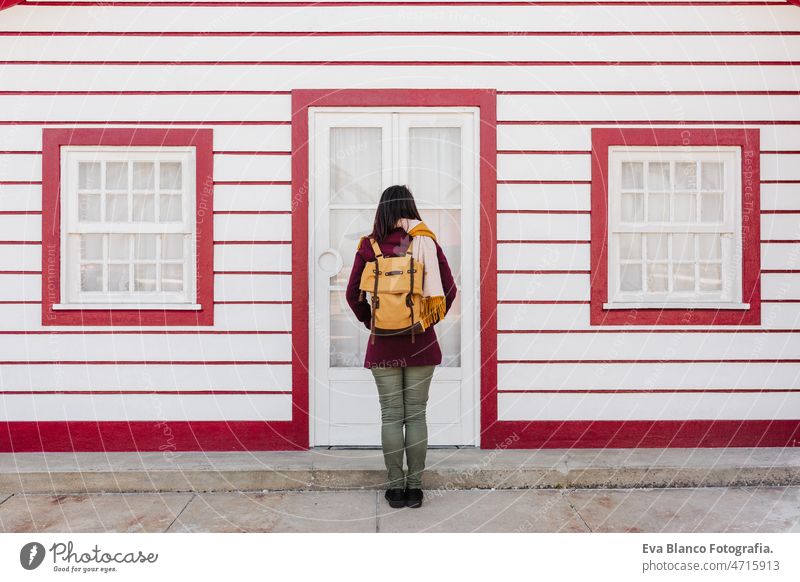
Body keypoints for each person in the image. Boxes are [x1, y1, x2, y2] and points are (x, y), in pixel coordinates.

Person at [345, 184, 458, 509]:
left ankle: (395, 489)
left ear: (382, 211)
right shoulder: (425, 240)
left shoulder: (369, 246)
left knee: (392, 416)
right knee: (417, 415)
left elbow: (353, 294)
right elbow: (448, 290)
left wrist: (374, 321)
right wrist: (423, 320)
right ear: (410, 208)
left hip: (382, 345)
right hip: (421, 342)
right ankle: (415, 488)